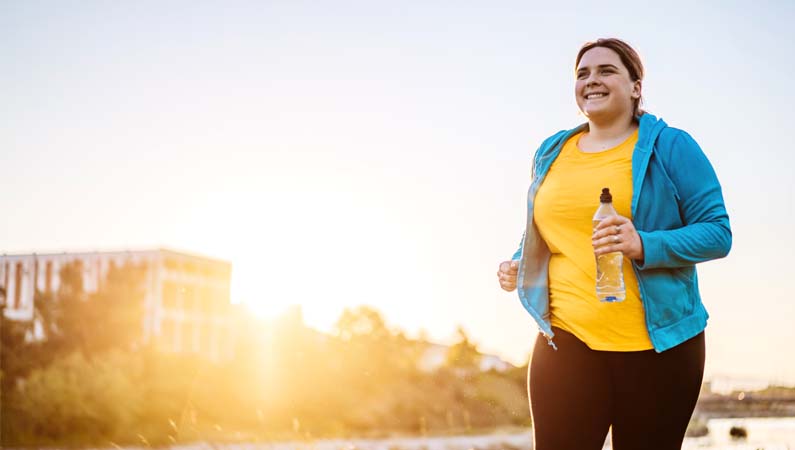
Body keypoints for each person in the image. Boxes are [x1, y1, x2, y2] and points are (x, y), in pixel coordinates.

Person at [496, 38, 731, 450]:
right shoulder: (551, 152)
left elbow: (717, 233)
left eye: (606, 71)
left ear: (636, 87)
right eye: (582, 73)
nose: (592, 80)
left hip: (659, 347)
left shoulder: (671, 146)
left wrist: (643, 243)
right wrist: (519, 261)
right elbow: (545, 230)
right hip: (566, 337)